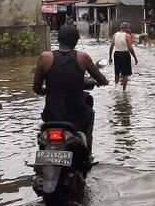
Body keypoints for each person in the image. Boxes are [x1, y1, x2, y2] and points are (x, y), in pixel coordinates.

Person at [33, 25, 109, 156]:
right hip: (77, 114)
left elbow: (36, 88)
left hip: (51, 114)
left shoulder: (45, 57)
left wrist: (46, 90)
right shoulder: (83, 57)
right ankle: (88, 155)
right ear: (76, 40)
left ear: (59, 39)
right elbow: (102, 80)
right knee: (90, 117)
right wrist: (102, 82)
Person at [109, 22, 138, 91]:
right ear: (126, 28)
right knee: (125, 74)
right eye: (129, 28)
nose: (129, 29)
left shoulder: (115, 35)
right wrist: (135, 57)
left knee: (117, 72)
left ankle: (115, 88)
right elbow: (130, 48)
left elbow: (111, 46)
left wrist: (110, 57)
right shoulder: (127, 36)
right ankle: (124, 90)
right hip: (125, 55)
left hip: (116, 54)